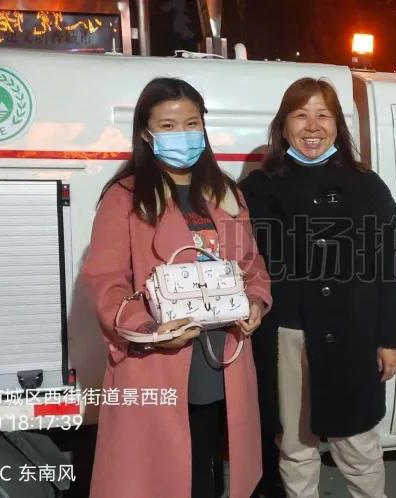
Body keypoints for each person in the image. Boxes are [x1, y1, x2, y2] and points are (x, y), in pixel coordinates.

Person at [82, 77, 272, 498]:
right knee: (161, 476)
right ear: (146, 133)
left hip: (222, 359)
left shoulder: (225, 193)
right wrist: (150, 330)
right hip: (160, 362)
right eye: (168, 126)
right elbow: (106, 281)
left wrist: (256, 301)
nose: (182, 135)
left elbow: (251, 263)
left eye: (191, 123)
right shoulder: (125, 198)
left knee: (210, 468)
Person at [241, 78, 396, 498]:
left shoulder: (366, 186)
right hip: (287, 335)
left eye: (323, 115)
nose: (312, 125)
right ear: (283, 126)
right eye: (300, 115)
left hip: (354, 335)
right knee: (295, 446)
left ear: (338, 125)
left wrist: (391, 339)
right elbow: (244, 259)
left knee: (358, 445)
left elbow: (393, 265)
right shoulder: (259, 188)